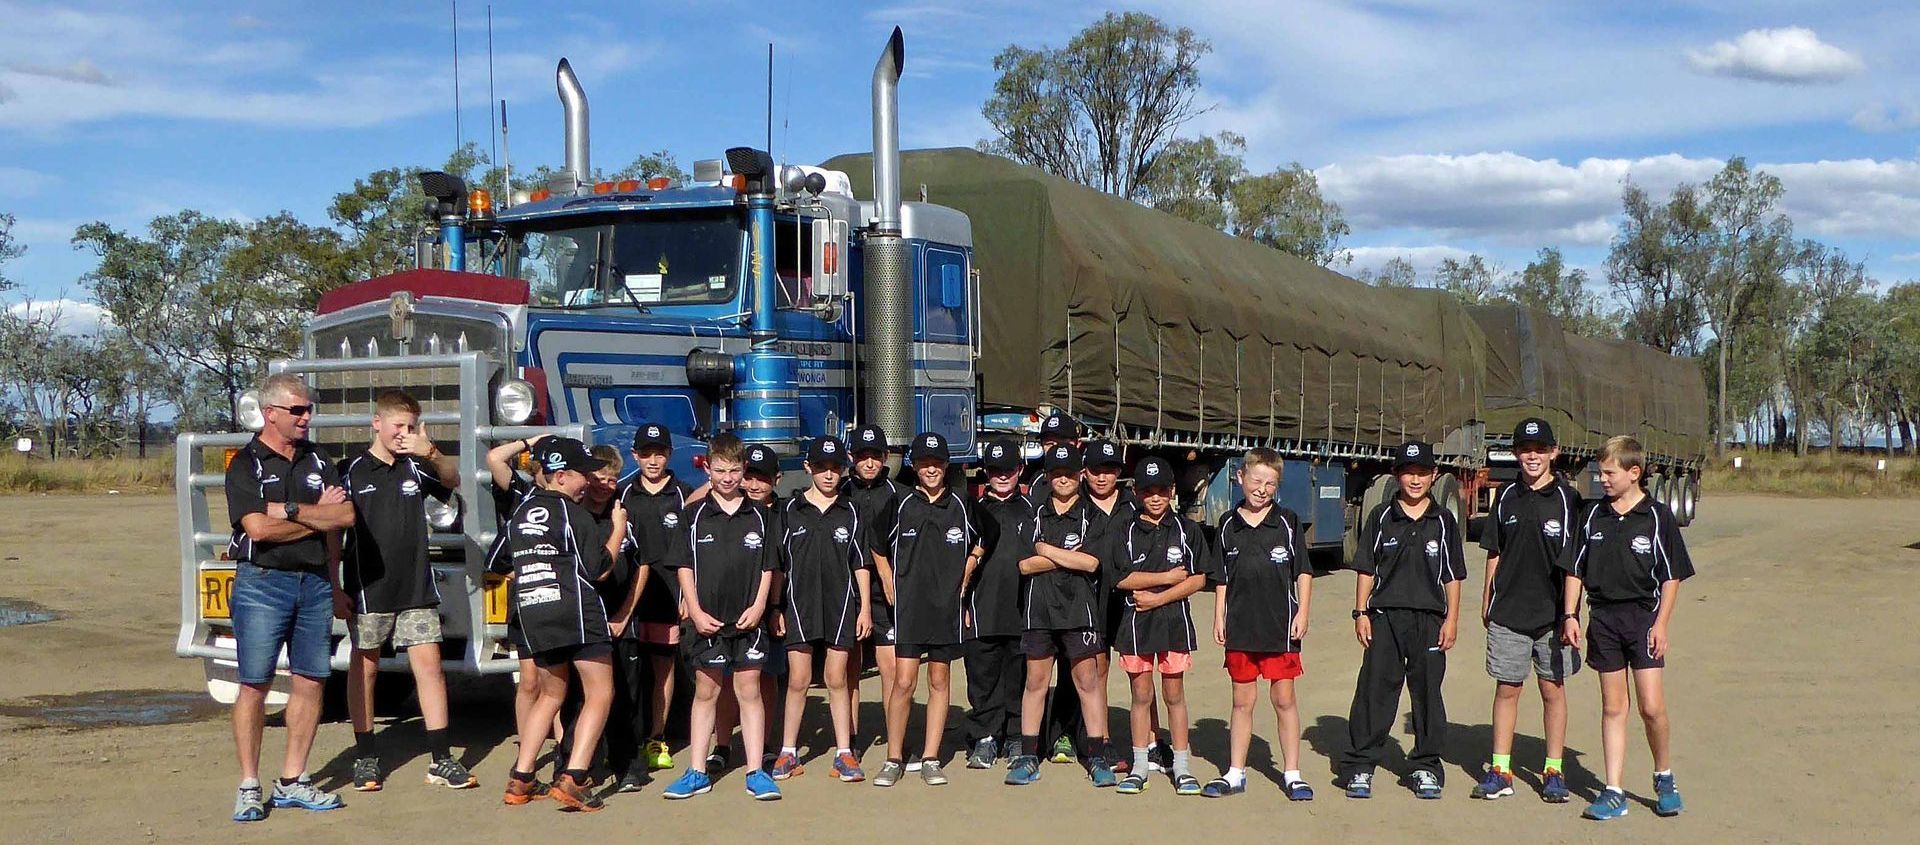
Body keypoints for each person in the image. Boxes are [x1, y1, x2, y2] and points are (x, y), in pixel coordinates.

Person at [224, 373, 356, 822]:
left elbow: (345, 517)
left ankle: (294, 781)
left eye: (309, 409)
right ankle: (248, 784)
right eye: (297, 410)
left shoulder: (320, 459)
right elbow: (257, 530)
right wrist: (319, 515)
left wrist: (293, 513)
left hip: (317, 583)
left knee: (311, 680)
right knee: (255, 684)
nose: (306, 417)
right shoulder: (246, 464)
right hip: (262, 583)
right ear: (270, 413)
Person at [338, 389, 475, 794]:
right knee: (365, 668)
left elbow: (454, 480)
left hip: (416, 587)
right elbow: (331, 531)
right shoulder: (350, 470)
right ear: (376, 424)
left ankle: (441, 757)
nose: (404, 434)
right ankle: (365, 754)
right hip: (369, 589)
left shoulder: (416, 467)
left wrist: (430, 451)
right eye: (398, 426)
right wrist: (334, 584)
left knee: (429, 669)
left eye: (411, 427)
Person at [1558, 435, 1693, 821]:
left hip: (1644, 621)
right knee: (1614, 707)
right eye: (1600, 473)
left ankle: (1664, 776)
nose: (1602, 480)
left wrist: (1661, 624)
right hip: (1603, 620)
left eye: (1609, 473)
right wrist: (1571, 615)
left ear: (1634, 474)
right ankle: (1613, 790)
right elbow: (1575, 570)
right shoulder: (1593, 516)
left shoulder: (1657, 516)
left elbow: (1672, 577)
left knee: (1651, 707)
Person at [500, 438, 624, 812]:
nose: (587, 482)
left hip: (534, 610)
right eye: (581, 475)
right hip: (575, 610)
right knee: (601, 692)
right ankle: (574, 777)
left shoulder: (521, 512)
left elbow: (504, 560)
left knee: (551, 694)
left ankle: (521, 778)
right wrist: (617, 528)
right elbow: (599, 568)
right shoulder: (574, 513)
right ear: (559, 476)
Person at [1339, 440, 1466, 799]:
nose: (1415, 480)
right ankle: (1361, 765)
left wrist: (1451, 620)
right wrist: (1361, 612)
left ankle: (1426, 765)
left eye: (1422, 473)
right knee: (1374, 691)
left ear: (1433, 475)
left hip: (1429, 620)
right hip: (1384, 618)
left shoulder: (1443, 521)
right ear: (1396, 475)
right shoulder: (1380, 516)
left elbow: (1452, 575)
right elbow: (1366, 567)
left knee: (1427, 694)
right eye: (1408, 472)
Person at [659, 434, 781, 801]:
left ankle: (756, 771)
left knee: (749, 691)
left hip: (748, 620)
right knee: (707, 691)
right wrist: (694, 611)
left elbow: (768, 567)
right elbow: (683, 566)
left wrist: (760, 607)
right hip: (706, 621)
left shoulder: (760, 515)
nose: (727, 478)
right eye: (720, 470)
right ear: (707, 469)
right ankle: (697, 771)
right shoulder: (693, 515)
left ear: (744, 471)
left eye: (734, 470)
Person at [871, 432, 989, 788]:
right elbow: (876, 544)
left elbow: (989, 535)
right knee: (904, 681)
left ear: (946, 465)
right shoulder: (901, 503)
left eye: (937, 463)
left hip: (946, 608)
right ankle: (894, 757)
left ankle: (931, 757)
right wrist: (888, 579)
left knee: (939, 680)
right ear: (915, 466)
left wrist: (971, 563)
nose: (931, 469)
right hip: (909, 608)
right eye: (924, 463)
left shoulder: (962, 504)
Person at [1473, 419, 1583, 803]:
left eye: (1540, 449)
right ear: (1516, 453)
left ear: (1554, 452)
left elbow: (1575, 564)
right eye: (1524, 449)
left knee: (1552, 689)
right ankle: (1500, 770)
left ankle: (1553, 769)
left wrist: (1570, 614)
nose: (1532, 456)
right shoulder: (1505, 497)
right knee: (1507, 688)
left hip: (1553, 615)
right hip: (1509, 611)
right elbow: (1494, 550)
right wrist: (1487, 596)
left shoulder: (1570, 501)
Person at [1201, 448, 1314, 800]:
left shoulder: (1288, 521)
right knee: (1241, 702)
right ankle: (1235, 772)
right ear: (1240, 478)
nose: (1262, 489)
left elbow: (1304, 572)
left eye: (1270, 483)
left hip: (1280, 629)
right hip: (1241, 628)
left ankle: (1292, 773)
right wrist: (1219, 616)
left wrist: (1303, 613)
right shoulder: (1227, 525)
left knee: (1284, 700)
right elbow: (1221, 578)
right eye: (1256, 480)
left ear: (1277, 486)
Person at [1006, 442, 1115, 788]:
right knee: (1036, 683)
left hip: (1079, 611)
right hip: (1039, 612)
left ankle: (1097, 756)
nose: (1064, 480)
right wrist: (1069, 555)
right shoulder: (1033, 515)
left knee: (1088, 683)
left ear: (1080, 475)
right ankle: (1027, 755)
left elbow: (1092, 562)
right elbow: (1025, 565)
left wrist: (1047, 550)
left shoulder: (1092, 516)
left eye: (1070, 473)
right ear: (1048, 476)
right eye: (1057, 474)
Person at [769, 436, 873, 783]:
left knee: (836, 679)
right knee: (798, 680)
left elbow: (860, 564)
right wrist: (775, 607)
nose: (829, 475)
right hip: (799, 606)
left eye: (835, 469)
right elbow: (779, 566)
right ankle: (787, 751)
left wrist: (865, 610)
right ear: (808, 468)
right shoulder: (789, 510)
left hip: (841, 607)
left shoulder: (851, 510)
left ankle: (844, 753)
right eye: (822, 468)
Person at [1109, 457, 1211, 795]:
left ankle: (1181, 767)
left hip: (1174, 625)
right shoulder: (1124, 530)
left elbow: (1197, 579)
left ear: (1171, 491)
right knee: (1141, 695)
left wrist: (1158, 598)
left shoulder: (1186, 530)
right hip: (1135, 627)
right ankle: (1140, 766)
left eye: (1162, 491)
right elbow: (1121, 577)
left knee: (1174, 695)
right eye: (1148, 491)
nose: (1155, 498)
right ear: (1137, 492)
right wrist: (1166, 578)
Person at [612, 423, 698, 786]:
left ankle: (656, 738)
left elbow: (693, 551)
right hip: (629, 597)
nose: (652, 460)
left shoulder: (683, 494)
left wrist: (685, 595)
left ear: (669, 454)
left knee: (663, 669)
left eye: (659, 452)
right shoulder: (622, 495)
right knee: (625, 672)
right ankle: (620, 737)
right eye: (645, 453)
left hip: (669, 595)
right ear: (635, 456)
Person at [553, 445, 632, 785]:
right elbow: (595, 568)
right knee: (573, 698)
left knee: (623, 695)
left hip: (617, 618)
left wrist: (625, 615)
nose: (604, 485)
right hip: (579, 618)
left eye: (611, 479)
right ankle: (570, 768)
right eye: (597, 478)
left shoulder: (624, 512)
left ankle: (627, 767)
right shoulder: (573, 515)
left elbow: (640, 568)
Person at [964, 438, 1035, 769]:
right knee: (982, 675)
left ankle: (1018, 735)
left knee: (1019, 675)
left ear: (1019, 470)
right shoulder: (971, 511)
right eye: (995, 471)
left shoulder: (1033, 510)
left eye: (1008, 470)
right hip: (981, 609)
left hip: (1023, 609)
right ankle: (986, 737)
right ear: (986, 474)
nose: (1002, 476)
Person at [1082, 439, 1148, 773]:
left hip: (1130, 599)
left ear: (1118, 473)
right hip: (1091, 599)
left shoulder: (1132, 506)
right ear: (1085, 472)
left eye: (1109, 470)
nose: (1102, 477)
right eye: (1096, 471)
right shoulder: (1078, 505)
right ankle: (1103, 739)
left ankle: (1151, 740)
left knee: (1142, 670)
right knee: (1098, 669)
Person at [844, 424, 901, 749]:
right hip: (849, 592)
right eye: (862, 456)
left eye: (875, 456)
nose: (869, 463)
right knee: (849, 666)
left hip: (885, 594)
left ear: (885, 458)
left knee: (889, 667)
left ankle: (895, 735)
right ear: (852, 458)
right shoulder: (840, 492)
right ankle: (849, 740)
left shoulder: (898, 494)